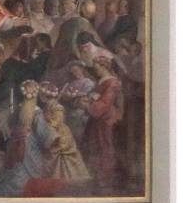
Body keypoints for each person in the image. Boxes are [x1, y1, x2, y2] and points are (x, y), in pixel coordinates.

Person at [82, 56, 124, 191]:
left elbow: (105, 103)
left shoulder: (112, 83)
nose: (96, 71)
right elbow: (95, 97)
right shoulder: (102, 81)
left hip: (107, 119)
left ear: (105, 67)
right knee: (96, 146)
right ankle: (97, 177)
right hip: (98, 119)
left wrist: (88, 106)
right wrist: (87, 100)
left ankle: (105, 179)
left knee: (105, 147)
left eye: (97, 68)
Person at [49, 0, 103, 73]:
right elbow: (71, 43)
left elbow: (96, 42)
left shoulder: (80, 22)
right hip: (68, 60)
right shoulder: (77, 22)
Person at [43, 100, 90, 182]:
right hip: (55, 135)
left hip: (61, 138)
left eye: (61, 114)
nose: (60, 116)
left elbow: (58, 123)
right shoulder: (48, 125)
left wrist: (53, 126)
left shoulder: (64, 126)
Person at [59, 60, 95, 143]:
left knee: (78, 125)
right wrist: (66, 96)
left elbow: (87, 95)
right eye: (73, 72)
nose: (75, 73)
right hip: (70, 109)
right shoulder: (71, 83)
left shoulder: (88, 82)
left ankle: (78, 143)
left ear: (81, 69)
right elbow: (65, 96)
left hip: (81, 110)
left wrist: (75, 95)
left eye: (76, 70)